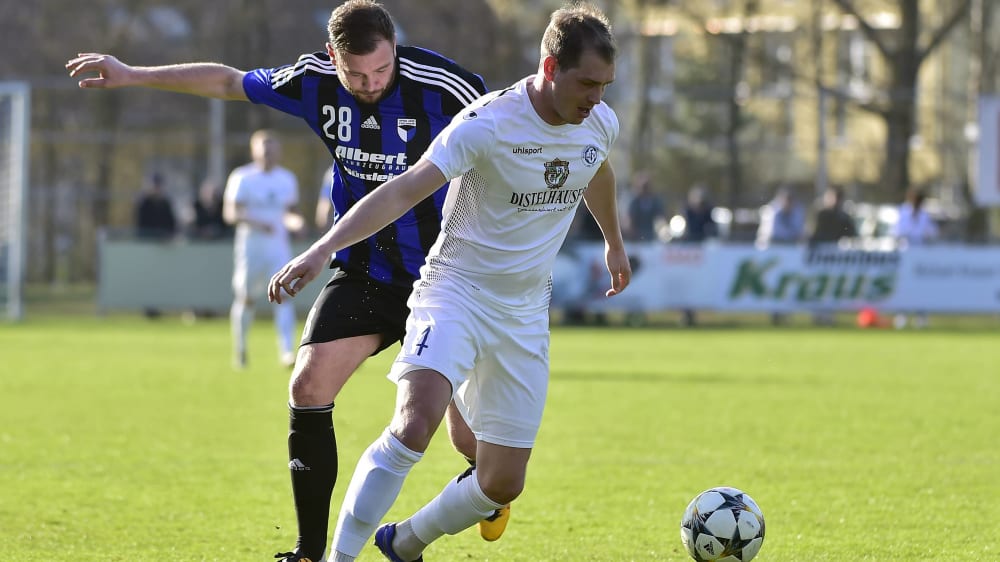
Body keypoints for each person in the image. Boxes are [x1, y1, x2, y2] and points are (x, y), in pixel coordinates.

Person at [67, 3, 491, 560]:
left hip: (444, 278)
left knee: (471, 445)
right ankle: (309, 551)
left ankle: (482, 493)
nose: (370, 84)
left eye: (382, 71)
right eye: (356, 74)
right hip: (366, 270)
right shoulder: (313, 81)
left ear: (394, 48)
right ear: (333, 56)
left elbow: (511, 132)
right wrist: (132, 73)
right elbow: (227, 81)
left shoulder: (445, 86)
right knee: (308, 387)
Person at [267, 4, 629, 561]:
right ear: (551, 68)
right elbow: (403, 189)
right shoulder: (488, 123)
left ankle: (406, 541)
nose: (596, 98)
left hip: (525, 312)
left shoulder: (599, 123)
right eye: (587, 83)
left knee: (501, 481)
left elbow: (596, 169)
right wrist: (322, 250)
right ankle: (338, 558)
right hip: (453, 291)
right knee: (416, 424)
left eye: (604, 85)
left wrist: (614, 242)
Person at [223, 129, 303, 369]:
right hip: (250, 248)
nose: (268, 153)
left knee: (284, 296)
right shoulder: (243, 177)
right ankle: (241, 350)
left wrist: (296, 223)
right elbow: (231, 213)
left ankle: (287, 352)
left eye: (272, 148)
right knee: (246, 298)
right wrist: (258, 223)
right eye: (263, 149)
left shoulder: (287, 179)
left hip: (278, 248)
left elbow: (289, 213)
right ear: (254, 151)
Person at [890, 187, 938, 329]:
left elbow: (932, 232)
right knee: (904, 286)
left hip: (919, 256)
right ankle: (901, 315)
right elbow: (896, 231)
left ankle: (921, 316)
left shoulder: (924, 215)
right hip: (905, 256)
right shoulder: (903, 213)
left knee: (920, 287)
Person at [809, 186, 857, 325]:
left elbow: (852, 234)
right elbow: (813, 234)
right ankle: (818, 315)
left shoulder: (844, 216)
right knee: (819, 285)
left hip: (835, 257)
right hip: (820, 256)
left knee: (831, 287)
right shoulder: (821, 214)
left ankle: (829, 316)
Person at [678, 184, 717, 327]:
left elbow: (713, 231)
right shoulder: (686, 212)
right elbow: (682, 232)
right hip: (687, 256)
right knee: (687, 285)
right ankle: (686, 314)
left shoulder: (708, 213)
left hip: (701, 256)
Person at [625, 170, 666, 242]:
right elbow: (630, 221)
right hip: (637, 240)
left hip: (652, 238)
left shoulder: (656, 202)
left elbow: (660, 219)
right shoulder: (634, 203)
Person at [135, 172, 177, 239]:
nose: (157, 188)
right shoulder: (144, 203)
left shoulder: (166, 203)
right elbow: (141, 226)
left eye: (158, 185)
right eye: (155, 185)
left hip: (163, 240)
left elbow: (171, 225)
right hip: (147, 239)